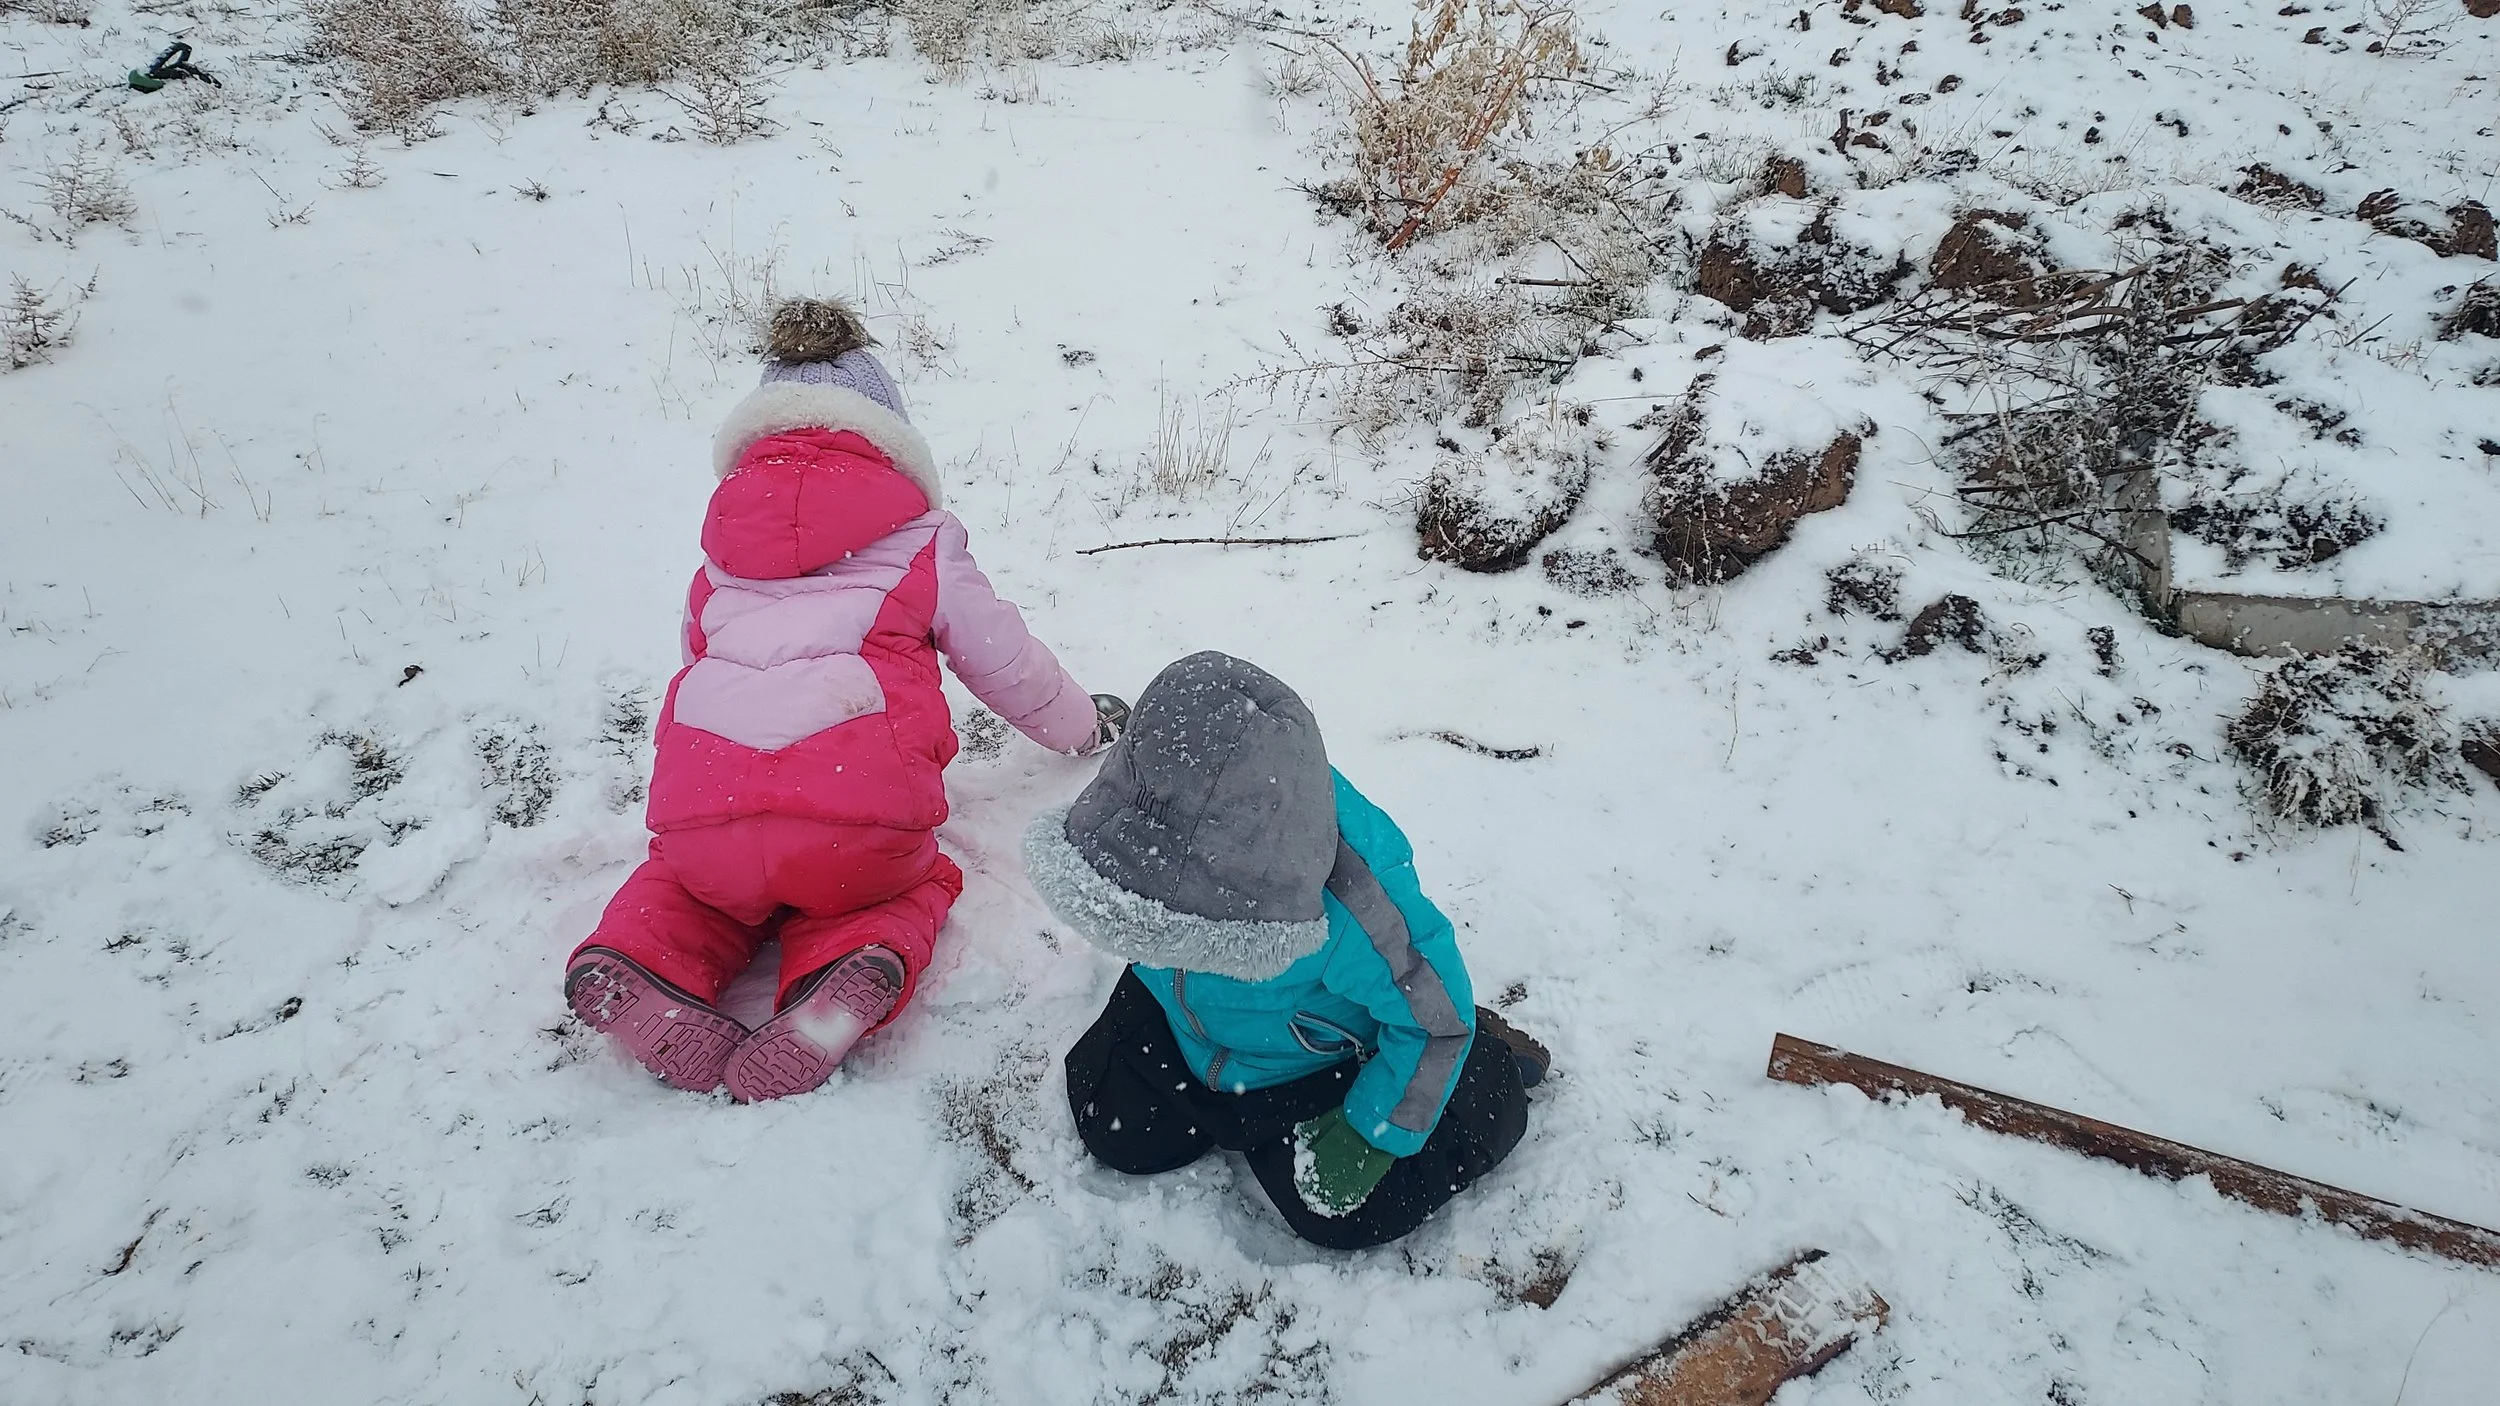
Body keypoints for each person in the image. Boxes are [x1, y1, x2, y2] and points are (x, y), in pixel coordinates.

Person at [567, 297, 1126, 1102]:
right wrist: (1081, 727)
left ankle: (639, 961)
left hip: (705, 816)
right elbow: (1007, 664)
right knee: (902, 884)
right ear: (888, 435)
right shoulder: (921, 540)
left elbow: (694, 667)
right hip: (855, 828)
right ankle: (839, 979)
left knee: (692, 888)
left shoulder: (721, 551)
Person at [1027, 652, 1546, 1249]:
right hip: (1185, 1026)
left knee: (1342, 1210)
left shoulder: (1354, 902)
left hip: (1309, 1061)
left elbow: (1437, 1016)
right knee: (1114, 1127)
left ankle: (1485, 1075)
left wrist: (1374, 1132)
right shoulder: (1145, 824)